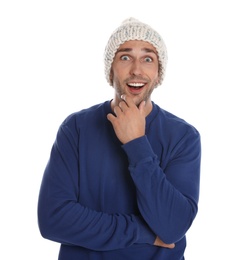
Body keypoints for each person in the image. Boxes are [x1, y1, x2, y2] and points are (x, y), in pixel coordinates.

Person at [37, 17, 201, 260]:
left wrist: (137, 144)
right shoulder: (76, 128)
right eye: (125, 57)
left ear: (158, 72)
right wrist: (142, 231)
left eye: (148, 59)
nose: (137, 69)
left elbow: (173, 228)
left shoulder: (183, 137)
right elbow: (53, 219)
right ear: (110, 68)